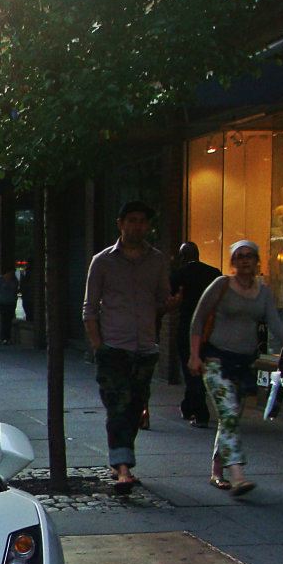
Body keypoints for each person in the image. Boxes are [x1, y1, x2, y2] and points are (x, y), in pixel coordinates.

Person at [83, 200, 181, 494]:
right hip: (113, 347)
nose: (138, 226)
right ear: (120, 224)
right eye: (132, 220)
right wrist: (98, 345)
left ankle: (119, 460)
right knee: (118, 406)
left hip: (145, 349)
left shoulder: (157, 261)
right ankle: (124, 469)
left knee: (136, 407)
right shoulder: (102, 262)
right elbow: (89, 308)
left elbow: (160, 301)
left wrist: (170, 304)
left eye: (143, 221)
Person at [187, 240, 283, 495]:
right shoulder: (221, 285)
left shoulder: (264, 292)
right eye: (240, 256)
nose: (245, 260)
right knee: (229, 413)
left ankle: (216, 471)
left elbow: (275, 323)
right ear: (233, 262)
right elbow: (198, 319)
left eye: (250, 256)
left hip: (243, 363)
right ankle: (236, 473)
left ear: (257, 261)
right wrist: (194, 356)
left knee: (230, 416)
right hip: (215, 361)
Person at [170, 242, 221, 428]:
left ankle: (200, 412)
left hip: (187, 327)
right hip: (209, 328)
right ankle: (188, 405)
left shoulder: (178, 275)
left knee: (190, 370)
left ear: (183, 257)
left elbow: (170, 299)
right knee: (201, 369)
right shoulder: (213, 273)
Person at [0, 265, 19, 344]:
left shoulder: (15, 280)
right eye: (12, 272)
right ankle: (4, 337)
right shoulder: (0, 279)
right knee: (4, 319)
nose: (13, 274)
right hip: (2, 303)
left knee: (9, 319)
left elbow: (16, 290)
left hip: (11, 302)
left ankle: (8, 337)